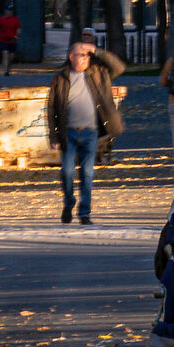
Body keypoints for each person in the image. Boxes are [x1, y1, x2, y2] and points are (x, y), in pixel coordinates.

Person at [46, 32, 125, 224]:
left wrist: (95, 49)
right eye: (82, 55)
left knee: (87, 173)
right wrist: (54, 136)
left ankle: (84, 213)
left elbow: (120, 67)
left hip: (90, 132)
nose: (86, 58)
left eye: (87, 55)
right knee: (67, 172)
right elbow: (51, 108)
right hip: (69, 133)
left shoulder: (98, 73)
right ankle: (69, 201)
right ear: (71, 56)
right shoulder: (61, 78)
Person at [0, 6, 21, 77]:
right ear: (5, 11)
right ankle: (5, 71)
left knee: (11, 57)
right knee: (5, 54)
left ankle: (8, 67)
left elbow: (18, 29)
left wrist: (17, 36)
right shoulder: (1, 20)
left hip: (12, 40)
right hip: (3, 40)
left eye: (10, 11)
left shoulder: (15, 20)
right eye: (8, 10)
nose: (9, 12)